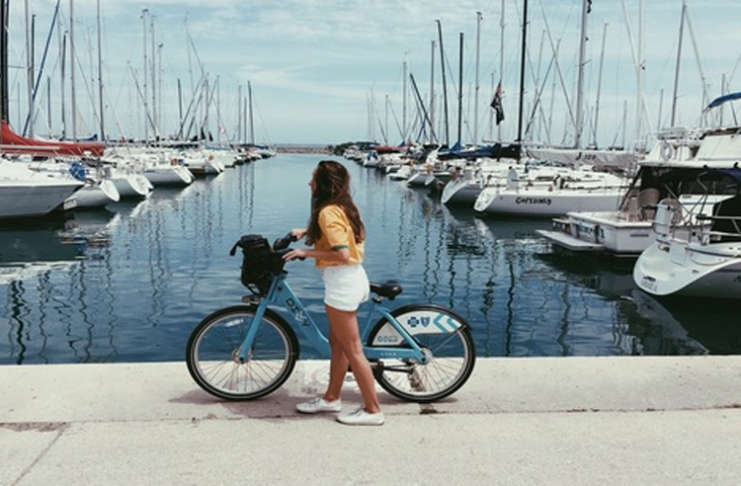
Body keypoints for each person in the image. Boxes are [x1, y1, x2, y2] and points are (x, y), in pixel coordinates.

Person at [283, 160, 384, 426]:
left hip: (342, 283)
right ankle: (331, 398)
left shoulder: (327, 212)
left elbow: (342, 254)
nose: (309, 183)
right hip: (351, 278)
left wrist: (305, 252)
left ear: (323, 184)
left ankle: (373, 410)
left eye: (313, 178)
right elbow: (344, 235)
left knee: (353, 349)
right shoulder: (345, 206)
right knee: (337, 345)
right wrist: (307, 232)